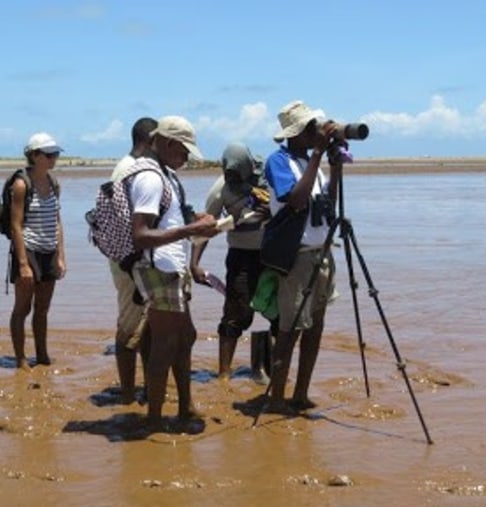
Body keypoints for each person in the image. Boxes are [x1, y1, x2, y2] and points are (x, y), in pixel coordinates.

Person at [128, 115, 218, 429]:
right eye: (183, 152)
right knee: (166, 343)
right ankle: (154, 419)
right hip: (159, 267)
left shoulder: (165, 175)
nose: (186, 159)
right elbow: (140, 235)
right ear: (166, 144)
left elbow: (170, 219)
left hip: (170, 265)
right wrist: (192, 229)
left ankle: (184, 406)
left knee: (185, 336)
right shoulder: (151, 178)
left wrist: (200, 223)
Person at [263, 100, 341, 412]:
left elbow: (327, 203)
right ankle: (277, 397)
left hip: (321, 253)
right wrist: (319, 155)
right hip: (295, 257)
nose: (317, 132)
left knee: (316, 326)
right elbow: (295, 200)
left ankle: (301, 393)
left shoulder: (312, 164)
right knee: (290, 328)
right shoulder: (278, 161)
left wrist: (333, 168)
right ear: (295, 133)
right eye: (311, 128)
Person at [190, 142, 274, 385]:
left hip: (272, 255)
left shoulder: (267, 179)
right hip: (241, 256)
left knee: (280, 314)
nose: (233, 179)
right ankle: (224, 374)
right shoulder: (221, 188)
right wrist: (194, 263)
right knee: (236, 314)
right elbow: (206, 226)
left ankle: (271, 371)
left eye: (238, 175)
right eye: (230, 175)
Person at [8, 133, 67, 369]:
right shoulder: (22, 184)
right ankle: (21, 358)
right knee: (22, 308)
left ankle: (42, 356)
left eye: (56, 154)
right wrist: (23, 263)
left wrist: (61, 255)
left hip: (49, 251)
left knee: (42, 309)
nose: (54, 158)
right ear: (34, 156)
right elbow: (15, 224)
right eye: (49, 154)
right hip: (29, 250)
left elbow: (57, 220)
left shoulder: (53, 183)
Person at [109, 117, 157, 403]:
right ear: (150, 141)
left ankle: (145, 389)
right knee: (129, 326)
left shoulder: (133, 167)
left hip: (135, 258)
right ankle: (128, 393)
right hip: (129, 260)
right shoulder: (129, 170)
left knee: (145, 326)